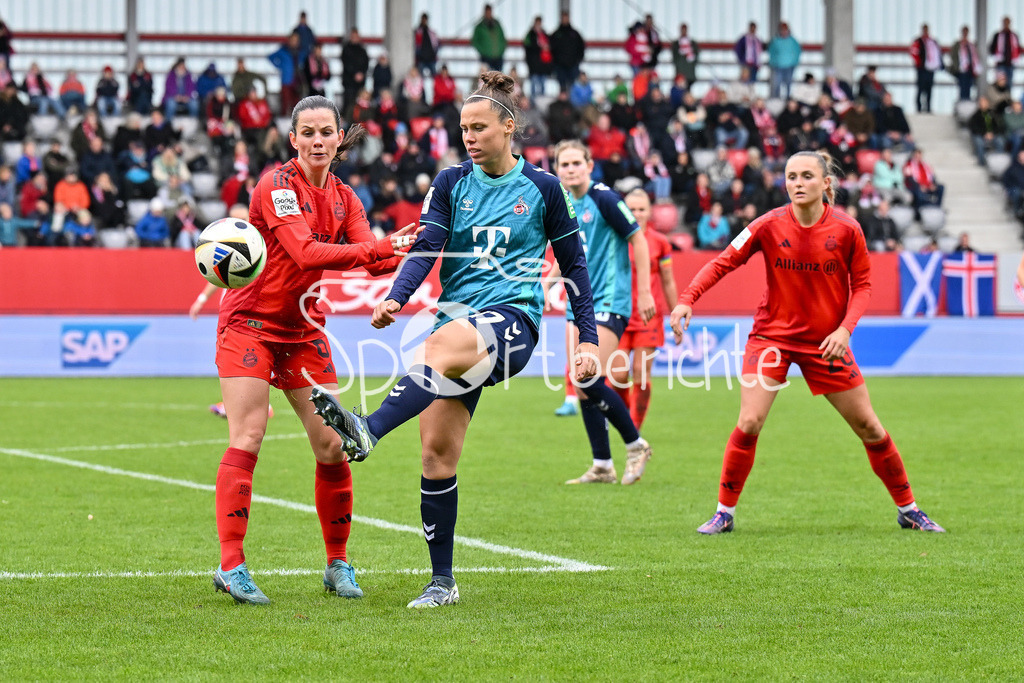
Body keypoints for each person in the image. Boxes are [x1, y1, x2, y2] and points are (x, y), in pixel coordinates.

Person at [309, 72, 598, 608]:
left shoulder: (544, 189)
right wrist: (398, 295)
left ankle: (367, 430)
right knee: (437, 457)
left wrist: (587, 338)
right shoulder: (449, 183)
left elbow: (576, 266)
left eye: (479, 127)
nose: (468, 136)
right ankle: (443, 582)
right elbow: (427, 246)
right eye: (463, 127)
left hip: (514, 322)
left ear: (508, 128)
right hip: (456, 320)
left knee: (436, 352)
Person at [209, 95, 419, 606]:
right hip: (250, 324)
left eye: (327, 132)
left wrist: (407, 246)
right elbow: (305, 252)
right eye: (309, 132)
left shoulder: (347, 199)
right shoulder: (277, 186)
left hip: (303, 329)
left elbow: (374, 263)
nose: (318, 140)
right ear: (294, 140)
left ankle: (337, 563)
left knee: (331, 446)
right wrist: (379, 249)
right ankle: (231, 565)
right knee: (250, 433)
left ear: (339, 138)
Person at [670, 150, 944, 535]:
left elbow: (863, 286)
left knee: (870, 427)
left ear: (826, 183)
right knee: (749, 421)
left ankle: (909, 509)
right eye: (791, 176)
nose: (797, 183)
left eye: (806, 176)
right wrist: (687, 299)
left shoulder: (848, 229)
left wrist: (845, 329)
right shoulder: (767, 224)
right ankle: (723, 512)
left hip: (826, 343)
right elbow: (723, 262)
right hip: (771, 338)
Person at [543, 139, 655, 486]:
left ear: (590, 166)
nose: (571, 169)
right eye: (564, 165)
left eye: (577, 163)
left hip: (609, 300)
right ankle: (602, 464)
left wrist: (646, 291)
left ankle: (636, 444)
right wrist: (546, 284)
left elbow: (637, 239)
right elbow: (570, 256)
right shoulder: (562, 204)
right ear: (556, 170)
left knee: (587, 378)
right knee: (584, 381)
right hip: (581, 304)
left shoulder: (604, 198)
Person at [608, 189, 677, 429]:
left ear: (650, 212)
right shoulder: (614, 237)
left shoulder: (660, 243)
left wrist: (675, 313)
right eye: (632, 209)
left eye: (641, 209)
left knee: (642, 375)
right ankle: (625, 415)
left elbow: (668, 281)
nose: (637, 214)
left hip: (648, 316)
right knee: (616, 375)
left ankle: (635, 428)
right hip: (619, 313)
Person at [269, 31, 306, 116]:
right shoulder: (284, 50)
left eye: (296, 40)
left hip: (297, 80)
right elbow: (271, 57)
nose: (295, 42)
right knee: (285, 102)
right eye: (293, 40)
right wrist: (280, 66)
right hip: (287, 80)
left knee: (296, 102)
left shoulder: (300, 52)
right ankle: (284, 121)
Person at [550, 11, 586, 95]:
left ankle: (571, 103)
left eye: (566, 18)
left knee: (572, 86)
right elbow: (550, 49)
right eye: (563, 18)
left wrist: (578, 59)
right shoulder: (556, 34)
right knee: (562, 87)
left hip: (572, 65)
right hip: (560, 66)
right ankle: (563, 103)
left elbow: (581, 47)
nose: (565, 20)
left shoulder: (575, 34)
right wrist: (555, 62)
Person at [909, 24, 942, 114]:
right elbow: (913, 52)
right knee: (920, 88)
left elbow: (938, 54)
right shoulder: (918, 41)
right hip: (922, 69)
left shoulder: (933, 41)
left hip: (930, 70)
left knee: (929, 89)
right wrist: (919, 63)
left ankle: (928, 107)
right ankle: (919, 107)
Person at [767, 22, 801, 100]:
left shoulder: (793, 41)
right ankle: (775, 100)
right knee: (776, 84)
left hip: (789, 67)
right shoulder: (775, 41)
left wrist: (794, 63)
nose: (784, 32)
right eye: (782, 30)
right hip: (777, 67)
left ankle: (788, 101)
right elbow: (771, 53)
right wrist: (773, 63)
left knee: (788, 84)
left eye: (785, 30)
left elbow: (797, 52)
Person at [949, 26, 983, 102]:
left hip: (970, 71)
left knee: (968, 88)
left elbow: (976, 57)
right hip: (962, 71)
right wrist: (956, 67)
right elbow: (953, 56)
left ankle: (967, 104)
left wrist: (977, 69)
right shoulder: (958, 45)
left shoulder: (971, 45)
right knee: (962, 89)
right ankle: (962, 104)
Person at [523, 16, 553, 101]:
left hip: (543, 66)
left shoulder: (545, 35)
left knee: (542, 87)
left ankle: (541, 105)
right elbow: (527, 46)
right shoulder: (530, 35)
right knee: (534, 87)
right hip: (534, 66)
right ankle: (533, 105)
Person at [472, 5, 507, 72]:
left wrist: (501, 50)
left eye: (490, 12)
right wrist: (483, 51)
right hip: (486, 57)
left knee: (498, 78)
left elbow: (503, 38)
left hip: (498, 57)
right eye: (487, 12)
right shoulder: (480, 27)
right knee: (487, 78)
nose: (489, 14)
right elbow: (475, 41)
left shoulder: (497, 24)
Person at [989, 16, 1022, 88]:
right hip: (1001, 64)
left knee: (1009, 84)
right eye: (1005, 23)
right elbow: (992, 49)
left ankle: (1007, 99)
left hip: (1010, 64)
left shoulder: (1014, 36)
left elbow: (1018, 49)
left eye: (1007, 23)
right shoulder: (997, 35)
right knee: (1000, 84)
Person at [670, 23, 699, 88]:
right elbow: (674, 58)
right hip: (680, 73)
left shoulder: (693, 44)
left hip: (690, 74)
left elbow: (696, 57)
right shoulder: (676, 44)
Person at [413, 13, 440, 77]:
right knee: (420, 76)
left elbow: (436, 44)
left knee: (435, 77)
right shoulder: (417, 31)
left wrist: (434, 53)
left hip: (431, 58)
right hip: (421, 58)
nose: (424, 21)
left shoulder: (431, 32)